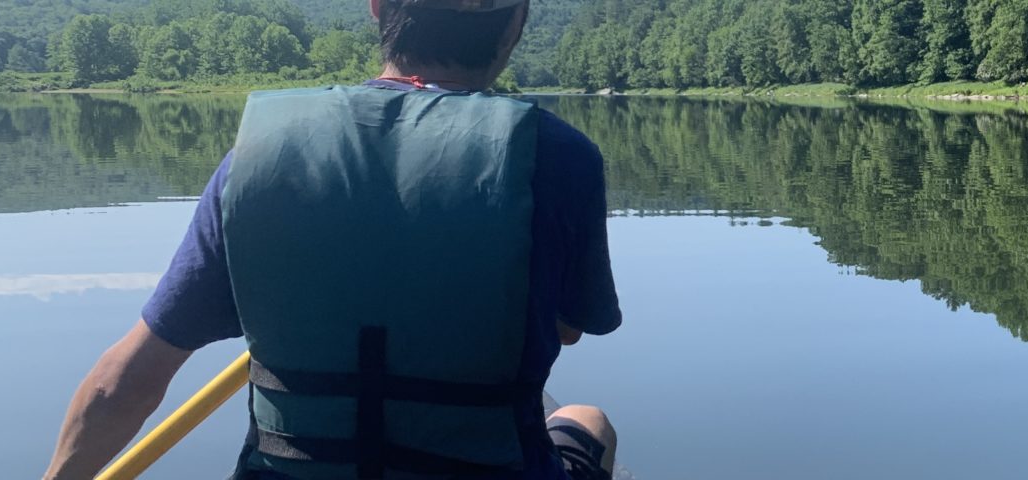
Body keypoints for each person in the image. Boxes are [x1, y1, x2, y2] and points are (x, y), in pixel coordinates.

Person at [42, 0, 622, 478]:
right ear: (517, 23)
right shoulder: (560, 158)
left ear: (377, 8)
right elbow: (565, 328)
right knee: (587, 419)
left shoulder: (259, 156)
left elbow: (122, 383)